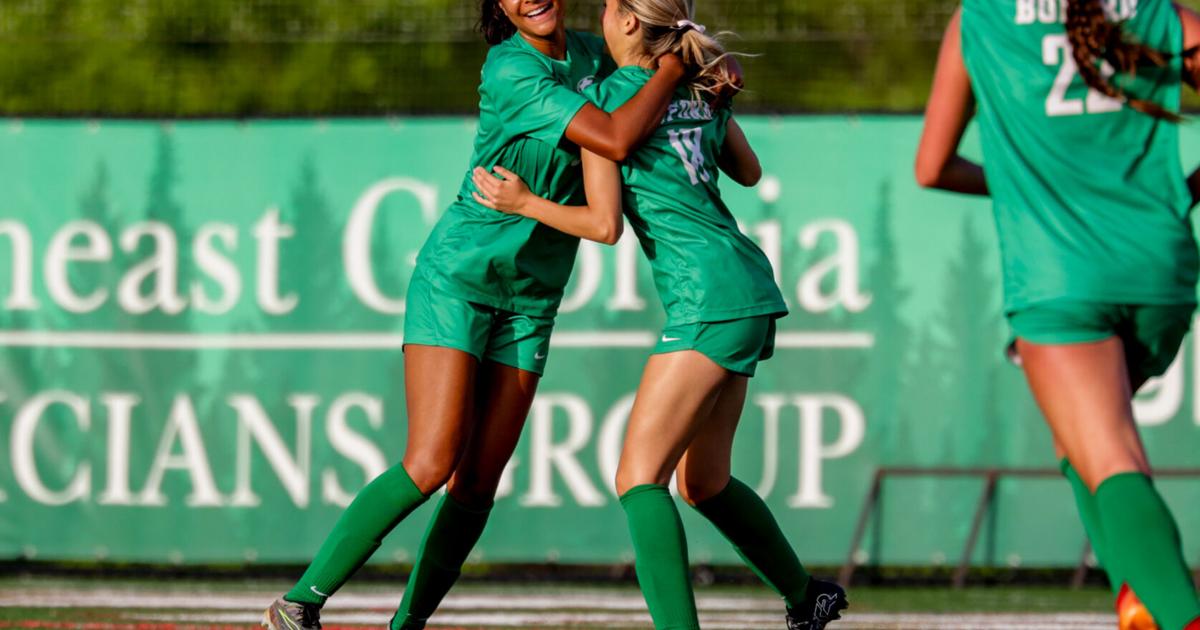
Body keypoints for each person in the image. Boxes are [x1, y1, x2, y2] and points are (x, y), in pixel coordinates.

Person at [262, 0, 690, 627]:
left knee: (478, 483)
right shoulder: (509, 71)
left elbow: (669, 48)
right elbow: (618, 136)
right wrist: (675, 71)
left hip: (532, 298)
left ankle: (405, 627)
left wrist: (709, 60)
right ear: (498, 7)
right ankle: (298, 604)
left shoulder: (597, 54)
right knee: (433, 461)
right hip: (459, 281)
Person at [471, 1, 848, 627]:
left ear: (624, 24)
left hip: (705, 298)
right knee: (705, 484)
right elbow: (749, 173)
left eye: (611, 4)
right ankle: (808, 596)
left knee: (639, 479)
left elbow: (602, 224)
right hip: (747, 288)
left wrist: (525, 202)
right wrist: (705, 91)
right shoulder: (701, 88)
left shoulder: (607, 103)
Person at [915, 1, 1200, 628]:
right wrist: (1187, 189)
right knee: (1080, 440)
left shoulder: (980, 20)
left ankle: (1173, 611)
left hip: (1060, 272)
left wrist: (1034, 183)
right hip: (1161, 265)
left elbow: (931, 167)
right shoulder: (1159, 13)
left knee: (1108, 453)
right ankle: (1139, 599)